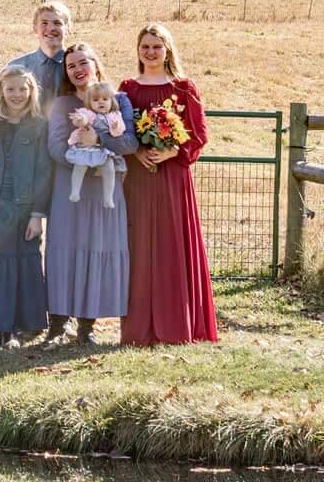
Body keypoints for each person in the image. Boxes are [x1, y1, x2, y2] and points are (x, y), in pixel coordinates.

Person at [120, 24, 217, 346]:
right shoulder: (128, 89)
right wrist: (137, 150)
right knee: (138, 244)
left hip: (173, 175)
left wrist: (173, 150)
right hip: (137, 175)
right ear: (138, 50)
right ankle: (138, 328)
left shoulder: (184, 88)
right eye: (145, 46)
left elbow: (199, 132)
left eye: (156, 46)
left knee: (171, 242)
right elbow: (119, 129)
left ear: (168, 50)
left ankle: (176, 324)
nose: (150, 52)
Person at [46, 43, 138, 345]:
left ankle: (87, 326)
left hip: (104, 190)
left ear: (95, 64)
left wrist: (99, 144)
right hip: (70, 187)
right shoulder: (62, 105)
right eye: (71, 66)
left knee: (97, 248)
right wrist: (85, 159)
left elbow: (128, 144)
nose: (78, 69)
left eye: (83, 62)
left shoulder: (119, 100)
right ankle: (58, 325)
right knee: (65, 251)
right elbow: (57, 147)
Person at [0, 65, 51, 348]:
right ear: (1, 90)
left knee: (21, 261)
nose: (17, 95)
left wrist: (38, 214)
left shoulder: (40, 126)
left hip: (25, 207)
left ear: (31, 91)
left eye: (22, 89)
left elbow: (44, 171)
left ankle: (16, 328)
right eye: (11, 89)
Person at [65, 82, 127, 208]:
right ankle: (75, 191)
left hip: (103, 149)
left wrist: (116, 127)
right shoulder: (88, 113)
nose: (101, 102)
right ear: (89, 103)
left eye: (105, 99)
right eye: (96, 100)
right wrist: (80, 119)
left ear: (112, 101)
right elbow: (83, 119)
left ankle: (108, 198)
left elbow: (119, 133)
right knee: (80, 165)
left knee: (109, 169)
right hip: (87, 148)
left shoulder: (115, 115)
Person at [7, 1, 71, 112]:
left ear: (68, 29)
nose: (51, 28)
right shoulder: (17, 67)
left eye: (57, 23)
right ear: (35, 28)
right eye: (44, 23)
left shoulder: (79, 67)